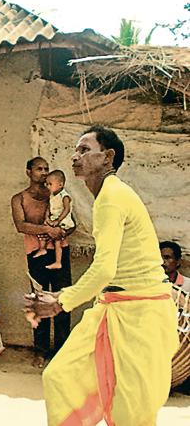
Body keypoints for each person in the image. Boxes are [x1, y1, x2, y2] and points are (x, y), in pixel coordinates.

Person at [26, 125, 178, 426]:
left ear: (108, 157)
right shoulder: (107, 196)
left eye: (85, 150)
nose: (75, 156)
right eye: (76, 149)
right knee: (60, 377)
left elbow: (104, 267)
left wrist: (61, 301)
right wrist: (63, 298)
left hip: (142, 313)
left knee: (131, 412)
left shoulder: (112, 196)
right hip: (113, 308)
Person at [11, 157, 72, 367]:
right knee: (39, 299)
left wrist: (62, 231)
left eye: (46, 169)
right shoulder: (19, 198)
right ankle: (41, 350)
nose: (44, 173)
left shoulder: (57, 195)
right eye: (39, 169)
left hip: (59, 252)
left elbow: (72, 222)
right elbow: (21, 226)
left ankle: (62, 351)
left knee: (63, 300)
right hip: (35, 253)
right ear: (28, 172)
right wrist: (48, 229)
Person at [34, 170, 75, 270]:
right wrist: (47, 217)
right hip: (53, 219)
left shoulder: (64, 196)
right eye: (46, 184)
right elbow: (49, 208)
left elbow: (67, 210)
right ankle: (42, 249)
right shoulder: (52, 196)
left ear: (60, 184)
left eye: (50, 184)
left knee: (57, 240)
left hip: (64, 221)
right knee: (42, 230)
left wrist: (58, 220)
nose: (48, 186)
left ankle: (58, 262)